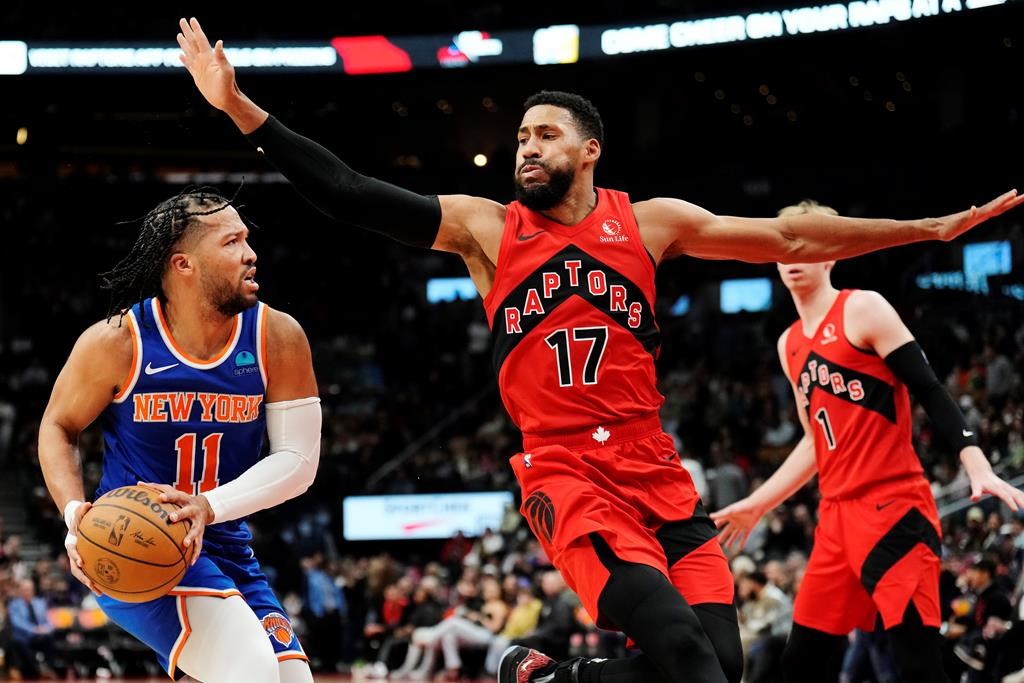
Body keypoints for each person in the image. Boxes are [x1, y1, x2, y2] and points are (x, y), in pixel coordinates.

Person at [176, 16, 1024, 683]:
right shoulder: (488, 230)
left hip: (658, 472)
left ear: (589, 149)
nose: (526, 147)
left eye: (544, 134)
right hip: (570, 476)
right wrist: (241, 108)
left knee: (719, 664)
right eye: (519, 138)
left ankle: (547, 679)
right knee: (688, 661)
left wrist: (928, 228)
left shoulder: (650, 224)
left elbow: (788, 234)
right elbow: (351, 192)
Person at [712, 200, 1024, 683]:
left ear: (833, 251)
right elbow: (816, 442)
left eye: (809, 241)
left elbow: (930, 388)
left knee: (917, 665)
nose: (794, 252)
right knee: (800, 666)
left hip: (894, 508)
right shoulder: (789, 343)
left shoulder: (862, 306)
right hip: (835, 520)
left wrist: (976, 463)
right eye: (784, 241)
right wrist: (758, 503)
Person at [37, 188, 322, 683]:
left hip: (225, 543)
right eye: (232, 242)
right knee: (253, 673)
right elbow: (58, 426)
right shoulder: (117, 342)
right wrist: (72, 513)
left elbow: (299, 459)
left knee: (291, 679)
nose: (251, 253)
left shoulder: (277, 336)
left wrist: (208, 507)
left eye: (247, 239)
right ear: (183, 264)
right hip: (139, 543)